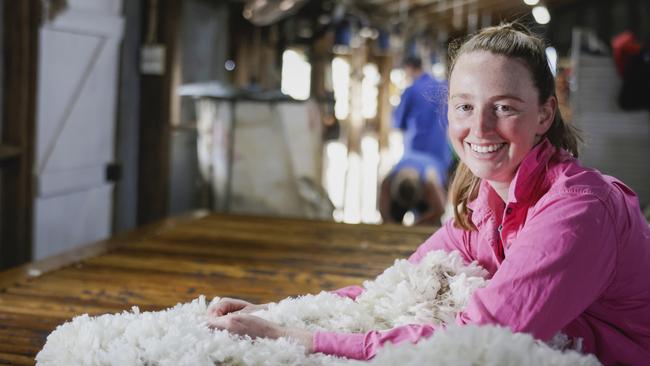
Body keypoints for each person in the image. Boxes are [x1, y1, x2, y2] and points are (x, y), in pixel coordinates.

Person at [207, 23, 650, 365]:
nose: (479, 128)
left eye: (504, 107)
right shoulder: (483, 203)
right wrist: (280, 312)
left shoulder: (576, 210)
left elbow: (472, 340)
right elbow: (389, 292)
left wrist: (302, 341)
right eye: (464, 106)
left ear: (544, 114)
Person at [379, 56, 452, 225]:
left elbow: (398, 123)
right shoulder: (445, 87)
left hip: (414, 151)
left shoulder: (411, 90)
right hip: (440, 154)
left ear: (409, 68)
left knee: (400, 209)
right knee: (429, 217)